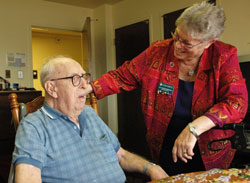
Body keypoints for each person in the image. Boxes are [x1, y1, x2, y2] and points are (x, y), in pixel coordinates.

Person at [85, 1, 248, 176]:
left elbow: (236, 102)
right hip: (165, 145)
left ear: (208, 43)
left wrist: (194, 128)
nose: (177, 45)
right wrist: (88, 88)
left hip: (210, 151)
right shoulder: (158, 51)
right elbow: (123, 76)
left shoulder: (223, 56)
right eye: (176, 36)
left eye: (187, 43)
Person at [10, 56, 168, 183]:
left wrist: (151, 167)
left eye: (85, 77)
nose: (85, 85)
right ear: (52, 88)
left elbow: (121, 155)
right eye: (75, 79)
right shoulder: (33, 127)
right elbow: (28, 179)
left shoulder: (89, 113)